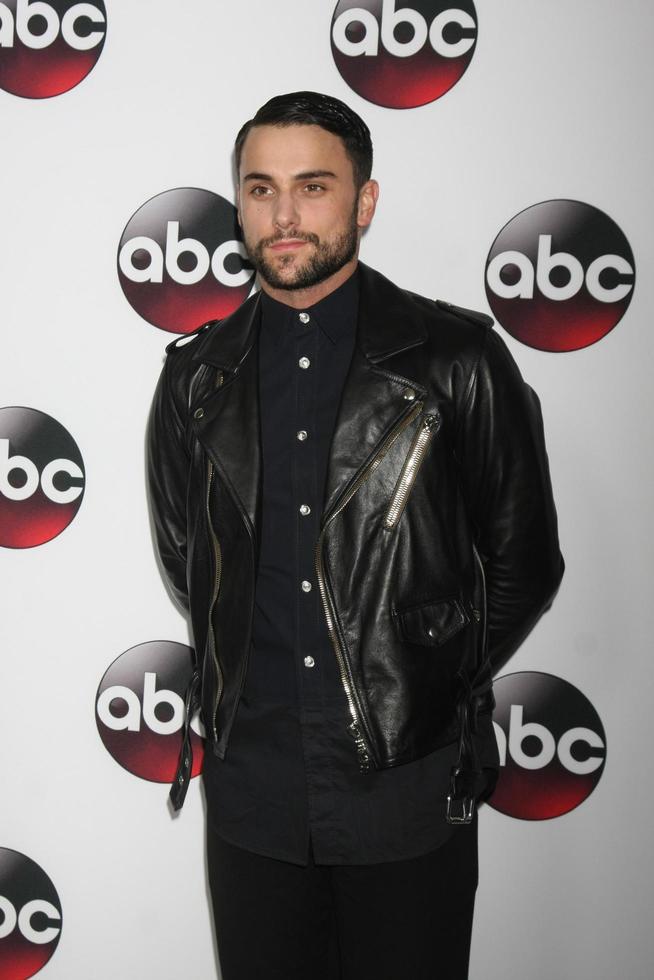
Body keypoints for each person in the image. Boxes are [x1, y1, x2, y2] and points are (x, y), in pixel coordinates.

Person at [147, 91, 564, 980]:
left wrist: (418, 674)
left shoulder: (457, 362)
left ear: (363, 202)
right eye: (261, 190)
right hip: (252, 792)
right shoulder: (196, 380)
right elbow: (192, 561)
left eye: (313, 187)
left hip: (405, 785)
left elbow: (523, 563)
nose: (285, 215)